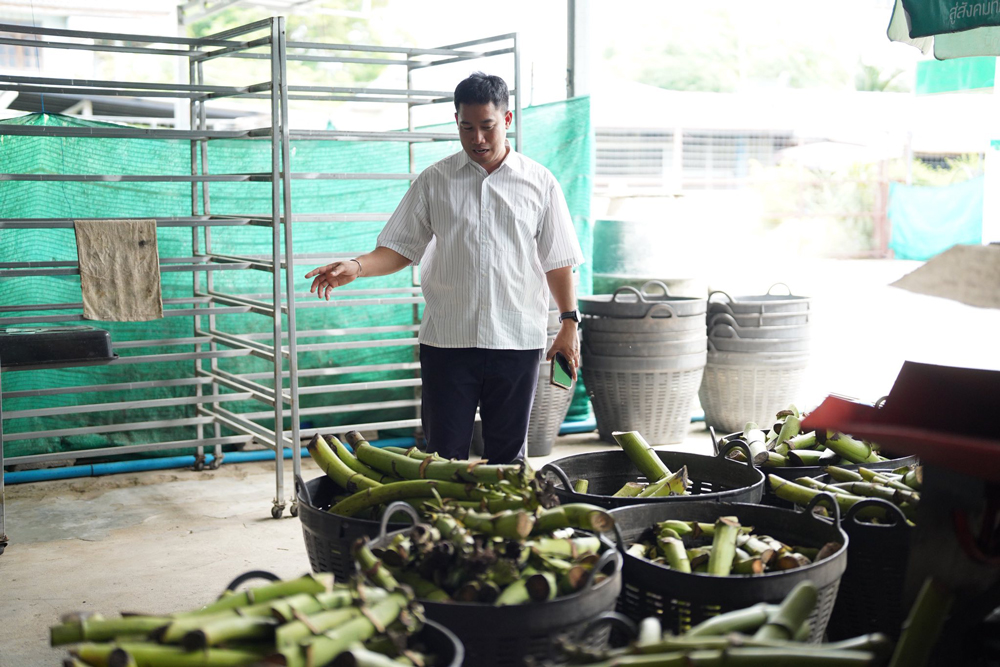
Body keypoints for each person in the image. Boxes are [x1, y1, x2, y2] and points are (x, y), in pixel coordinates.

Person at [305, 72, 583, 463]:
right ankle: (444, 523)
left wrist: (569, 322)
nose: (477, 139)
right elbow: (398, 248)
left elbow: (558, 261)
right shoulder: (435, 181)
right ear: (456, 121)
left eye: (487, 127)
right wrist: (357, 265)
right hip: (448, 343)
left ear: (506, 120)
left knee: (508, 459)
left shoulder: (540, 183)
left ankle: (499, 525)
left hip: (517, 339)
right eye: (466, 127)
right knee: (441, 457)